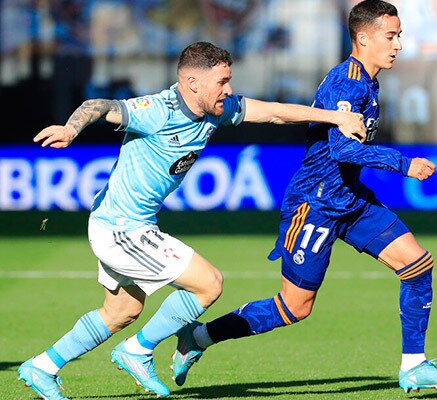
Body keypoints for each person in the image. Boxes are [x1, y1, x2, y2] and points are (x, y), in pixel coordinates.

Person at [18, 41, 366, 400]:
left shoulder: (218, 110)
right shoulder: (158, 110)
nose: (229, 90)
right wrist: (71, 129)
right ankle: (136, 351)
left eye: (229, 80)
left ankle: (42, 366)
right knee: (209, 283)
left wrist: (335, 116)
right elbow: (99, 105)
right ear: (192, 82)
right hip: (121, 228)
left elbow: (275, 112)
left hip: (129, 224)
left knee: (122, 310)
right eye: (222, 82)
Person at [172, 1, 437, 394]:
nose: (398, 44)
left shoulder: (368, 80)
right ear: (363, 38)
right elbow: (343, 150)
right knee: (295, 307)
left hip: (351, 199)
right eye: (390, 36)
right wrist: (403, 163)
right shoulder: (347, 83)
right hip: (315, 203)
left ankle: (414, 366)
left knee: (417, 265)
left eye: (399, 36)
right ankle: (199, 338)